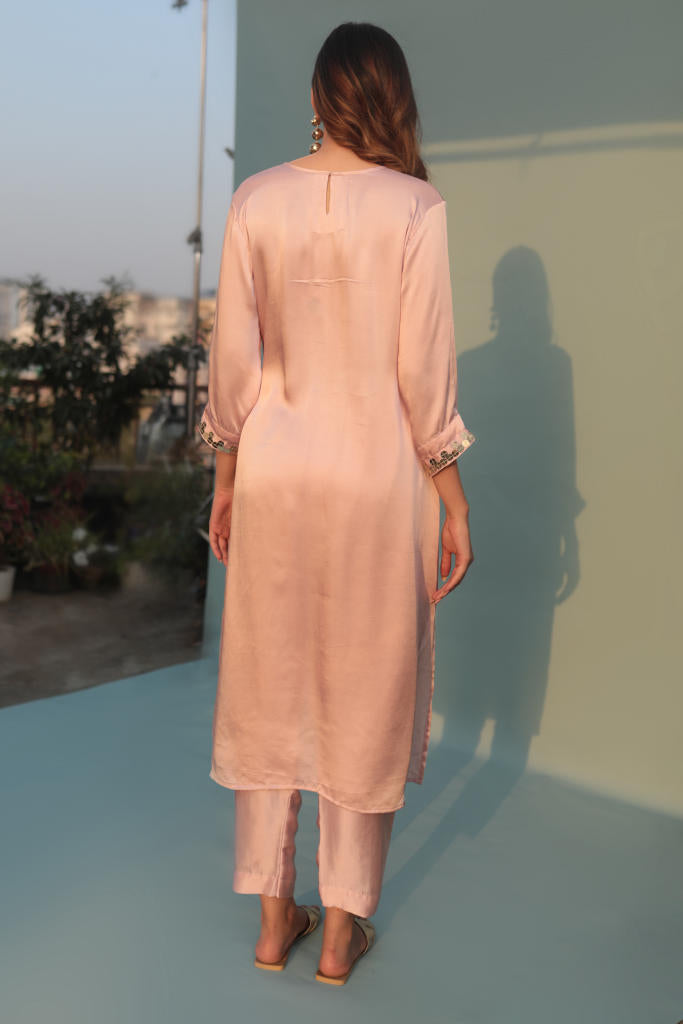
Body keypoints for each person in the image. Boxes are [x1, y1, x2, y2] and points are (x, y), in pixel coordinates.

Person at [198, 21, 476, 985]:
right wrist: (452, 498)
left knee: (268, 686)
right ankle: (342, 929)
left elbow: (233, 364)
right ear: (392, 97)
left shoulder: (254, 198)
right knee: (364, 690)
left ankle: (275, 919)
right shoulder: (415, 207)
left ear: (318, 98)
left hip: (275, 473)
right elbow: (423, 374)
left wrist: (226, 478)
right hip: (372, 482)